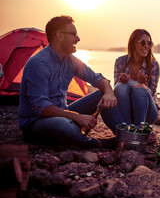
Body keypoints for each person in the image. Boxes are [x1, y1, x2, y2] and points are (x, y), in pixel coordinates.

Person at [18, 15, 120, 148]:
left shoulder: (70, 60)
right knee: (63, 125)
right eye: (74, 34)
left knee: (104, 93)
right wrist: (77, 117)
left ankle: (122, 137)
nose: (78, 39)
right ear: (59, 36)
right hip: (36, 123)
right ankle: (98, 144)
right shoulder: (39, 63)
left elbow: (97, 78)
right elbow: (40, 107)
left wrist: (108, 92)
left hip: (63, 113)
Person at [113, 29, 159, 126]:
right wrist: (122, 82)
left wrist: (144, 86)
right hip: (126, 109)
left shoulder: (154, 65)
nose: (147, 46)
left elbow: (152, 92)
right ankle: (128, 129)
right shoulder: (120, 62)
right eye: (143, 43)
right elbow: (116, 91)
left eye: (149, 43)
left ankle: (138, 129)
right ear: (133, 43)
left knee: (139, 89)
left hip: (148, 112)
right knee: (120, 87)